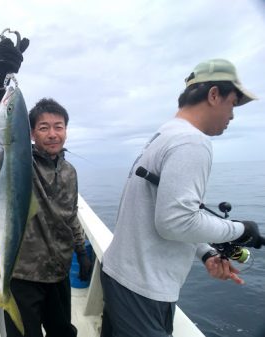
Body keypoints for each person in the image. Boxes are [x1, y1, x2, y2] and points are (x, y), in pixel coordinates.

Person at [100, 58, 263, 337]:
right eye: (232, 104)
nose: (233, 116)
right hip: (143, 290)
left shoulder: (163, 135)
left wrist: (206, 252)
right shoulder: (193, 142)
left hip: (123, 277)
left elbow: (167, 212)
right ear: (214, 95)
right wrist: (240, 230)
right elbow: (176, 222)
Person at [0, 37, 93, 337]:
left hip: (58, 273)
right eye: (44, 127)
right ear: (30, 133)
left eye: (59, 127)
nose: (53, 134)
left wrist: (81, 252)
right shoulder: (22, 161)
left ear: (66, 130)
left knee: (62, 333)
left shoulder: (69, 172)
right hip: (23, 274)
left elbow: (70, 216)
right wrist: (1, 81)